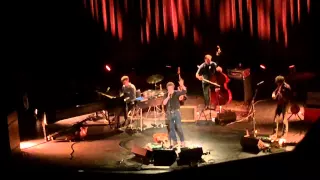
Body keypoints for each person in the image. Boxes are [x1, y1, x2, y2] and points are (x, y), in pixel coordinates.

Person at [163, 80, 187, 147]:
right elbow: (164, 103)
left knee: (179, 127)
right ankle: (175, 141)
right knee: (171, 128)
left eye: (171, 88)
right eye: (168, 88)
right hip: (169, 113)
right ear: (167, 88)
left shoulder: (177, 93)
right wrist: (168, 97)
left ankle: (182, 141)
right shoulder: (166, 95)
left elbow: (184, 91)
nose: (170, 89)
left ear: (173, 88)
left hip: (176, 112)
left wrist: (182, 85)